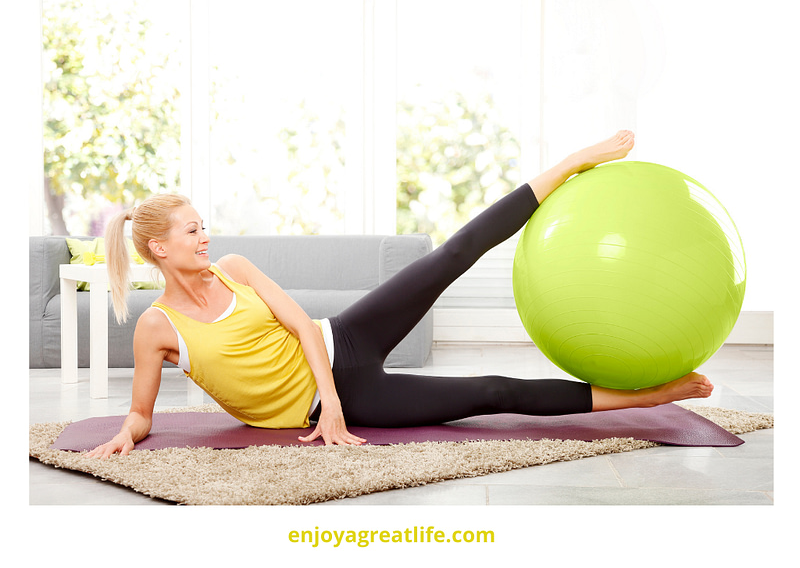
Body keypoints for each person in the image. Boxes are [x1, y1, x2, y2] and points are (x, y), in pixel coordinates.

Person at [86, 130, 713, 459]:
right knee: (491, 392)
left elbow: (304, 327)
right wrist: (127, 432)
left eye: (201, 225)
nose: (206, 235)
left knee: (450, 256)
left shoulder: (234, 267)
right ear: (159, 249)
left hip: (341, 340)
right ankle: (651, 395)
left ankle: (569, 164)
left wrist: (328, 403)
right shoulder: (157, 328)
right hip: (348, 395)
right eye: (192, 229)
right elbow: (142, 412)